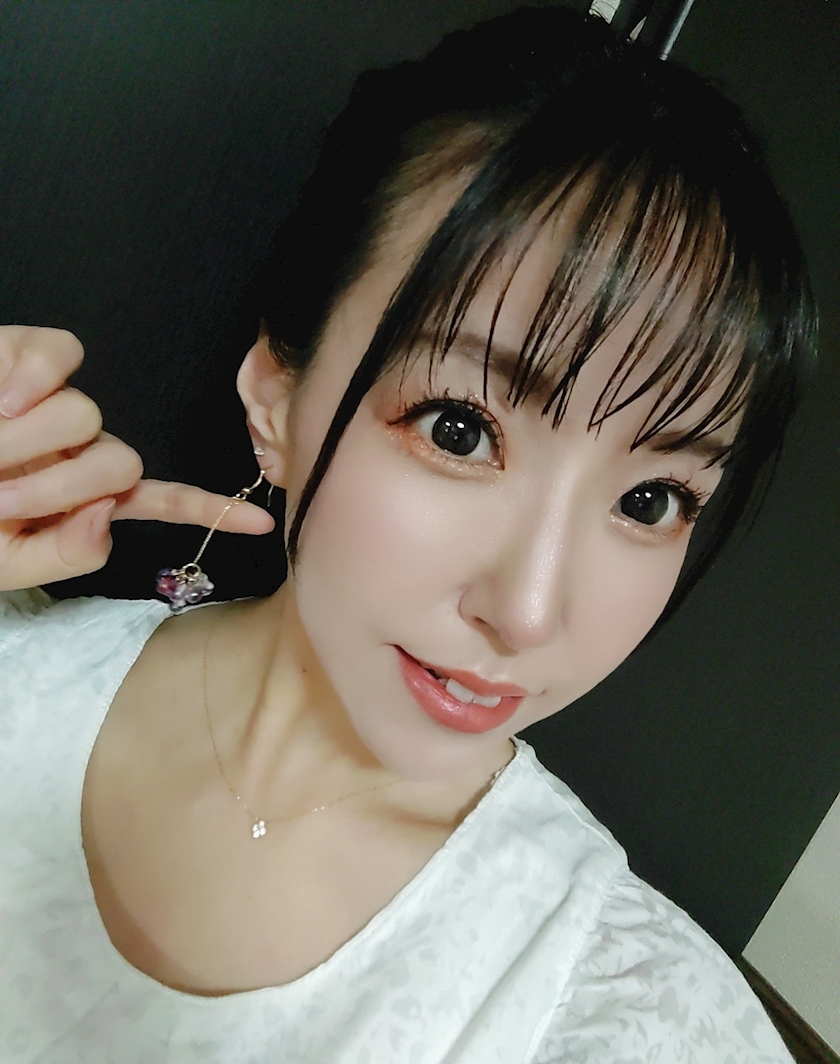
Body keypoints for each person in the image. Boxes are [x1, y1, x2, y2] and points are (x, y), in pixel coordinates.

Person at [0, 6, 816, 1062]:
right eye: (460, 428)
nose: (528, 613)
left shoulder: (628, 1010)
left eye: (651, 499)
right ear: (276, 396)